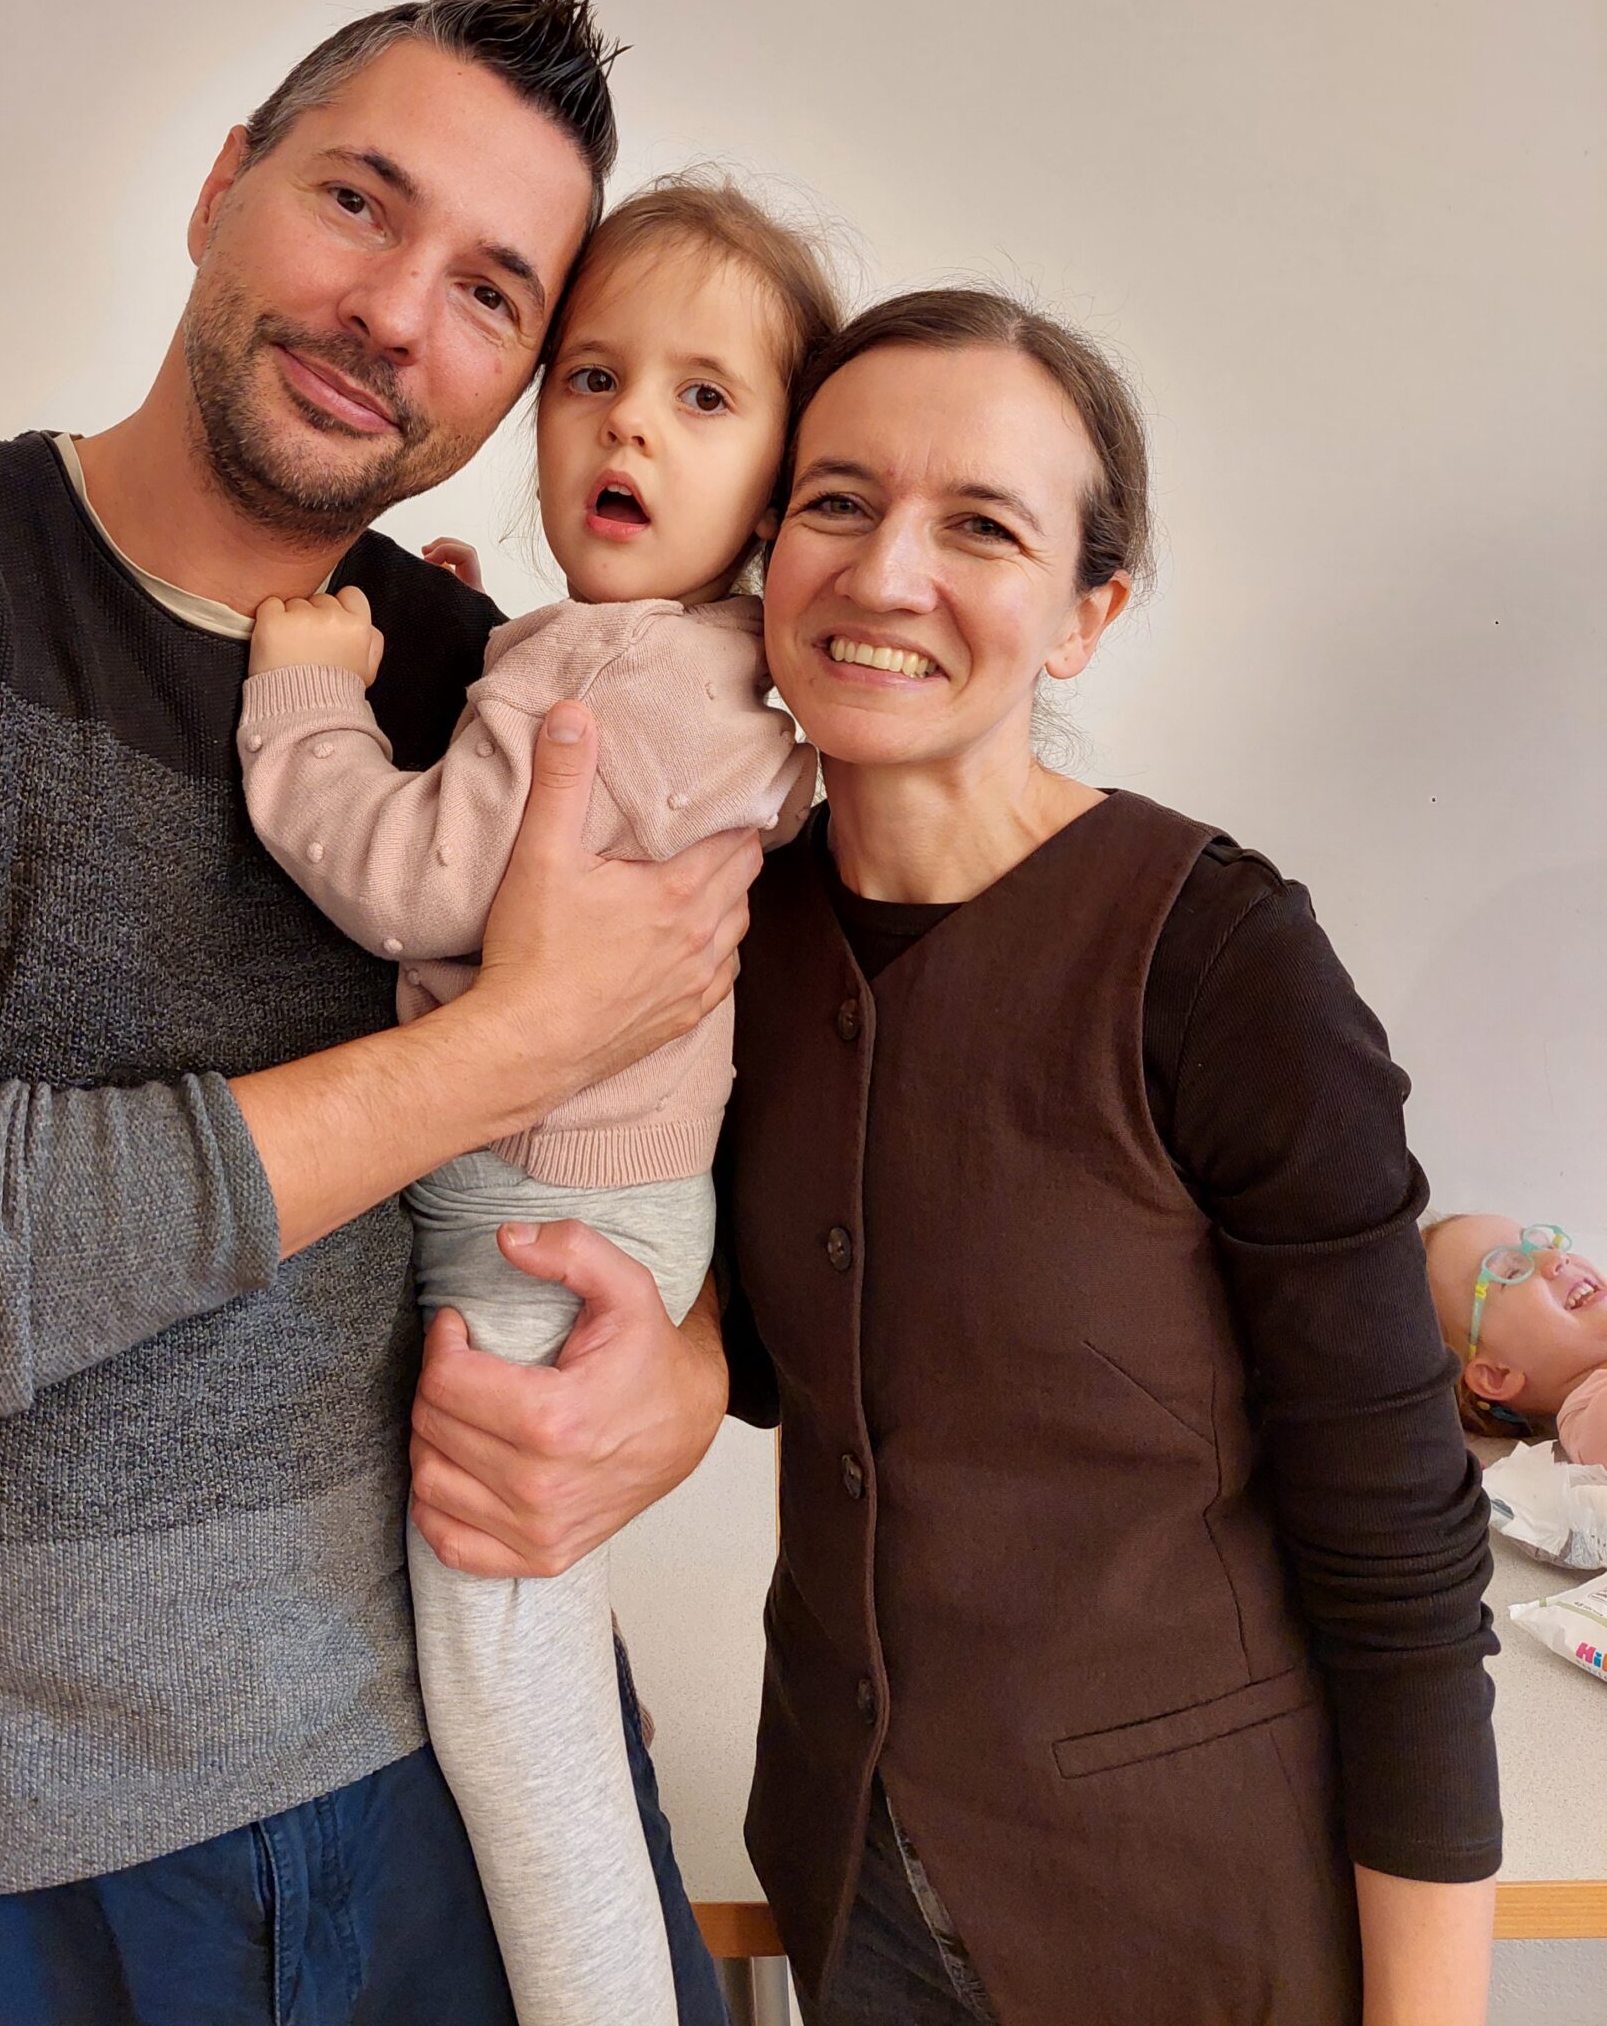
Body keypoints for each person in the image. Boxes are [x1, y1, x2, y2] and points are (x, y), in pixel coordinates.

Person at [0, 0, 745, 2026]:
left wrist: (689, 1375)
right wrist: (495, 1049)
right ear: (217, 187)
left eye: (490, 293)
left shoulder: (491, 678)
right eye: (357, 200)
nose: (395, 314)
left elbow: (730, 1086)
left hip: (451, 1786)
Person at [408, 287, 1506, 2026]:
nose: (886, 572)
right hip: (849, 1891)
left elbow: (1398, 1549)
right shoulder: (711, 925)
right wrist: (675, 1366)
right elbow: (815, 1307)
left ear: (1084, 615)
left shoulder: (1220, 962)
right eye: (836, 501)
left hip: (1192, 1925)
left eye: (981, 527)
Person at [236, 177, 835, 2025]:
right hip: (626, 1217)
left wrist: (309, 700)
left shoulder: (592, 670)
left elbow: (414, 881)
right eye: (593, 376)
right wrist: (489, 654)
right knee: (539, 1663)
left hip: (530, 1226)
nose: (629, 424)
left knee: (512, 1702)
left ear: (778, 485)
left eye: (703, 397)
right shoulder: (722, 678)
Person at [1425, 1218, 1607, 1455]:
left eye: (1547, 1245)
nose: (1556, 1258)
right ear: (1498, 1375)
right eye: (1513, 1273)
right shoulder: (1594, 1421)